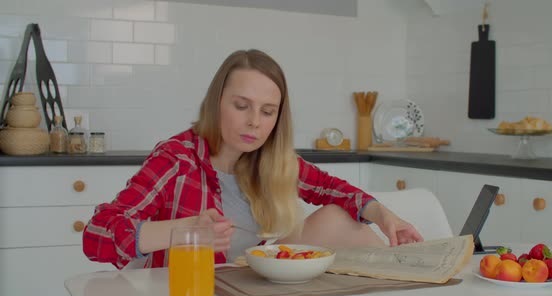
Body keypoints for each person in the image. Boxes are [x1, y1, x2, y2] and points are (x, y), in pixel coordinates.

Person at [82, 49, 423, 269]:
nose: (254, 122)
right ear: (217, 102)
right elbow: (96, 235)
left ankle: (404, 285)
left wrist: (383, 215)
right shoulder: (177, 158)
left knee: (338, 216)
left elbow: (331, 189)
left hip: (245, 288)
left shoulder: (269, 158)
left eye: (267, 111)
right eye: (241, 106)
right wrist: (181, 232)